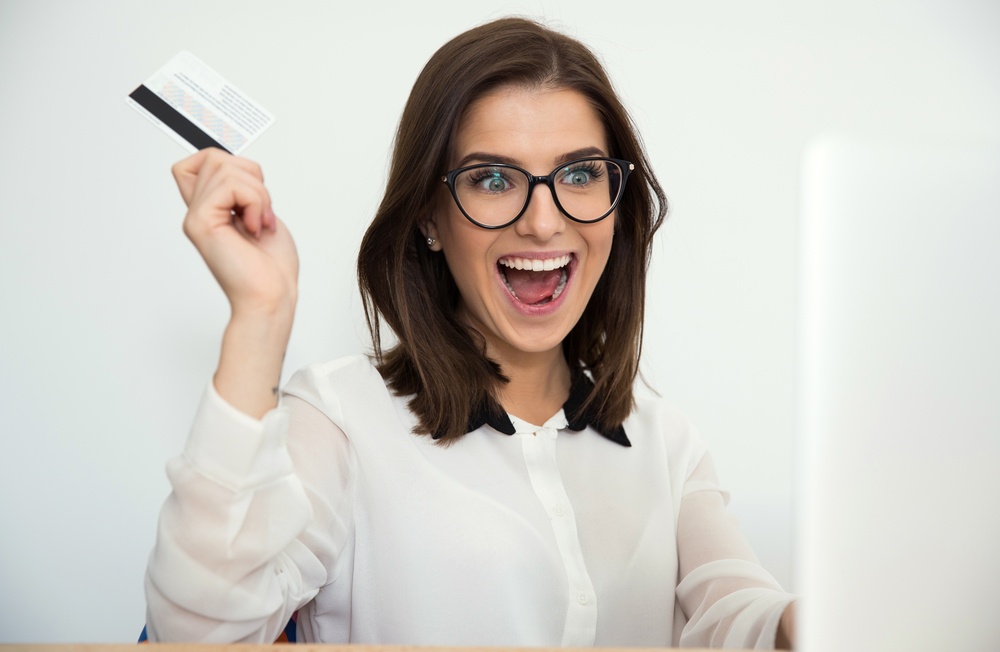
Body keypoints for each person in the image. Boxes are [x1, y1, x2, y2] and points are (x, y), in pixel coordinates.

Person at [144, 17, 797, 649]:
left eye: (579, 174)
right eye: (492, 178)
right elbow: (200, 637)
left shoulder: (666, 444)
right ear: (431, 213)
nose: (543, 223)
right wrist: (261, 309)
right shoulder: (342, 418)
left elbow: (743, 619)